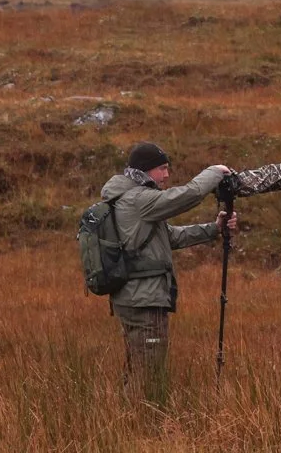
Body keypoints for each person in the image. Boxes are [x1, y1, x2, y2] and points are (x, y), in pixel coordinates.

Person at [100, 143, 238, 406]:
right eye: (162, 169)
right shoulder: (139, 199)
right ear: (144, 170)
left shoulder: (127, 197)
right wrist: (215, 172)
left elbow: (169, 236)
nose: (166, 175)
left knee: (138, 365)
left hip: (133, 297)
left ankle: (126, 421)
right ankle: (140, 426)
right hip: (145, 300)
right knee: (149, 373)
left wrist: (214, 228)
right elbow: (187, 196)